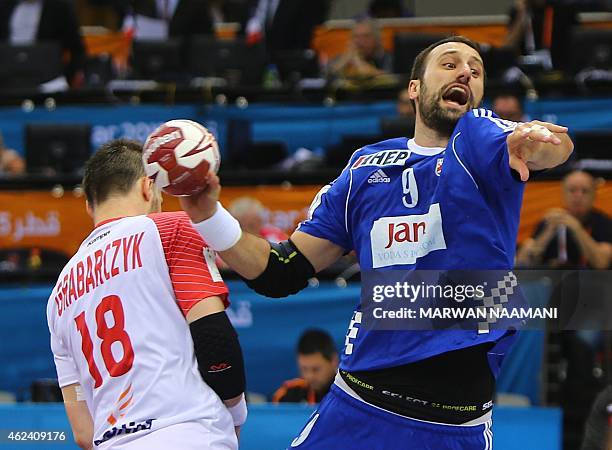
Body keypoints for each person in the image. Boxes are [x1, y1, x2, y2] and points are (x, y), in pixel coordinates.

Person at [181, 36, 573, 449]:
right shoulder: (364, 170)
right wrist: (208, 214)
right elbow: (282, 272)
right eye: (450, 63)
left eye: (475, 71)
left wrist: (537, 141)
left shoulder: (482, 139)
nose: (465, 73)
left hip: (454, 424)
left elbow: (550, 147)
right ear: (415, 88)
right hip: (358, 406)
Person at [46, 139, 247, 450]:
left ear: (88, 205)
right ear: (146, 187)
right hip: (188, 431)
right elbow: (214, 337)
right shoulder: (169, 229)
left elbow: (83, 432)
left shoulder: (58, 294)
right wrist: (234, 414)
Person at [516, 170, 612, 269]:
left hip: (591, 281)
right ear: (563, 194)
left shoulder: (603, 223)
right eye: (572, 190)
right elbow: (523, 262)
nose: (578, 196)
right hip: (551, 281)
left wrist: (576, 227)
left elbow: (602, 263)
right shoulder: (550, 221)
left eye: (585, 191)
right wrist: (547, 232)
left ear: (594, 196)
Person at [0, 0, 86, 87]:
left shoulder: (59, 7)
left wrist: (74, 73)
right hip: (6, 77)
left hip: (47, 80)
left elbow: (77, 48)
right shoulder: (5, 5)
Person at [272, 329, 338, 404]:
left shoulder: (349, 392)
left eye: (316, 369)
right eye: (304, 369)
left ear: (334, 361)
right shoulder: (287, 395)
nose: (309, 376)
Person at [328, 18, 393, 79]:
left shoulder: (388, 58)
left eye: (366, 36)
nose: (360, 42)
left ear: (377, 40)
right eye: (356, 36)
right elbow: (324, 77)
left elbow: (387, 78)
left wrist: (357, 60)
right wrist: (344, 60)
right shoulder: (342, 57)